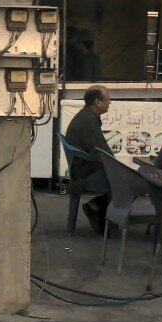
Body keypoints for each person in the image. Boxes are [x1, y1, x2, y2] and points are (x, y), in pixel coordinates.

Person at [64, 85, 113, 233]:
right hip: (86, 174)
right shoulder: (88, 121)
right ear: (98, 102)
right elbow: (102, 152)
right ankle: (98, 209)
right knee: (124, 181)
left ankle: (96, 207)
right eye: (108, 99)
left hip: (83, 168)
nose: (110, 102)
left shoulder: (87, 116)